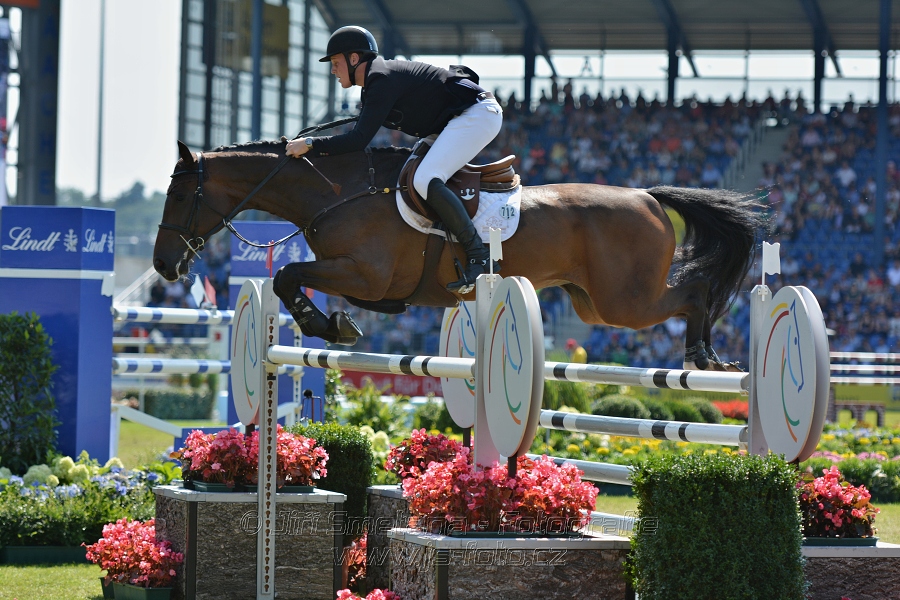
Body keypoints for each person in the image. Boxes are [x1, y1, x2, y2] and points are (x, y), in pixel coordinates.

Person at [285, 26, 503, 293]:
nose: (333, 69)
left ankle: (478, 254)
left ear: (354, 59)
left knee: (425, 178)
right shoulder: (375, 83)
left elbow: (357, 140)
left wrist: (309, 144)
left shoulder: (381, 79)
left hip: (477, 114)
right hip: (454, 120)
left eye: (335, 62)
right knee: (410, 174)